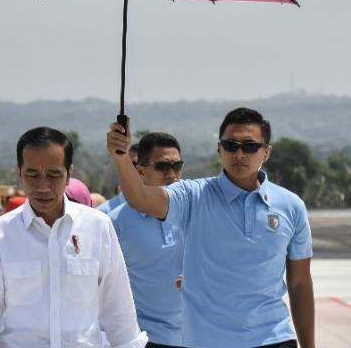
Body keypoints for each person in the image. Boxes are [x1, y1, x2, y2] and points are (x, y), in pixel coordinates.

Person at [107, 108, 315, 348]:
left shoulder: (291, 206)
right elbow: (141, 198)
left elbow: (300, 283)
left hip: (274, 338)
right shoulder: (193, 196)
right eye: (230, 145)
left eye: (249, 146)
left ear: (266, 152)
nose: (239, 154)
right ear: (219, 150)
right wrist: (122, 158)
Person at [0, 127, 147, 348]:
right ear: (19, 172)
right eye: (32, 175)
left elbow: (120, 313)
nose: (43, 186)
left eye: (54, 175)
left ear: (69, 174)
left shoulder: (97, 227)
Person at [108, 132, 185, 348]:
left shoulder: (195, 212)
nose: (172, 175)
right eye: (162, 167)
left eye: (177, 166)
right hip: (143, 338)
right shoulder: (116, 222)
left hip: (195, 335)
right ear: (140, 171)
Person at [98, 145, 138, 214]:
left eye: (144, 165)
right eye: (132, 165)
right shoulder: (104, 212)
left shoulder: (158, 211)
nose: (138, 170)